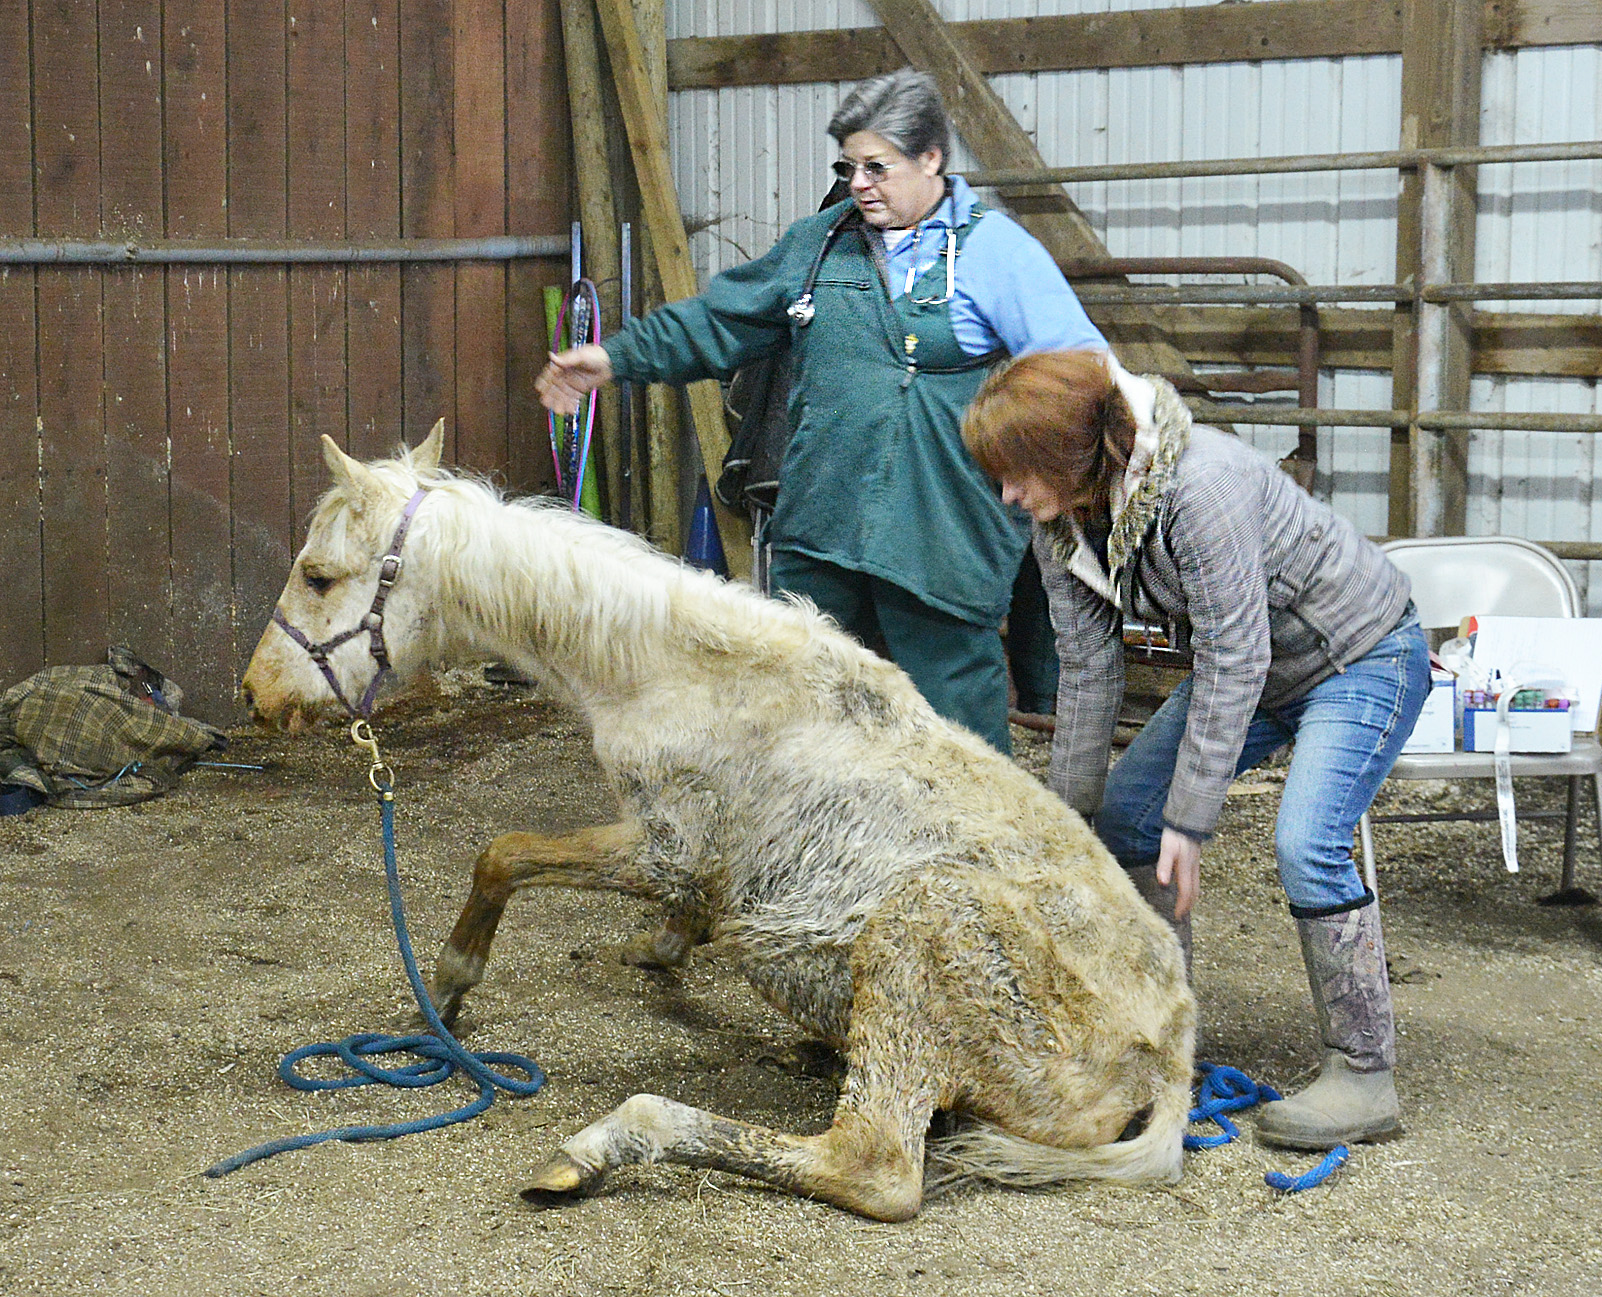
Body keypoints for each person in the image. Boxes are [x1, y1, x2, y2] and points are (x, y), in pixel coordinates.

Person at [535, 69, 1104, 753]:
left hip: (940, 543)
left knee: (955, 746)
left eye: (877, 167)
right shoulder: (820, 244)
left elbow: (1080, 376)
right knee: (805, 728)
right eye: (849, 166)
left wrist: (1054, 486)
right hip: (820, 535)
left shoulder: (997, 255)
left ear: (931, 160)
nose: (859, 183)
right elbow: (720, 320)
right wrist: (617, 358)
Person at [961, 349, 1430, 1151]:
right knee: (1122, 823)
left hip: (1359, 653)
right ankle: (1163, 1040)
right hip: (1256, 668)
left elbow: (1234, 654)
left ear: (1076, 453)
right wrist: (1066, 823)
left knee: (1306, 843)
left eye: (1018, 470)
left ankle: (1364, 1071)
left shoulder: (1199, 487)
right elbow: (1087, 664)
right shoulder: (1065, 516)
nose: (1008, 492)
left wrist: (1193, 818)